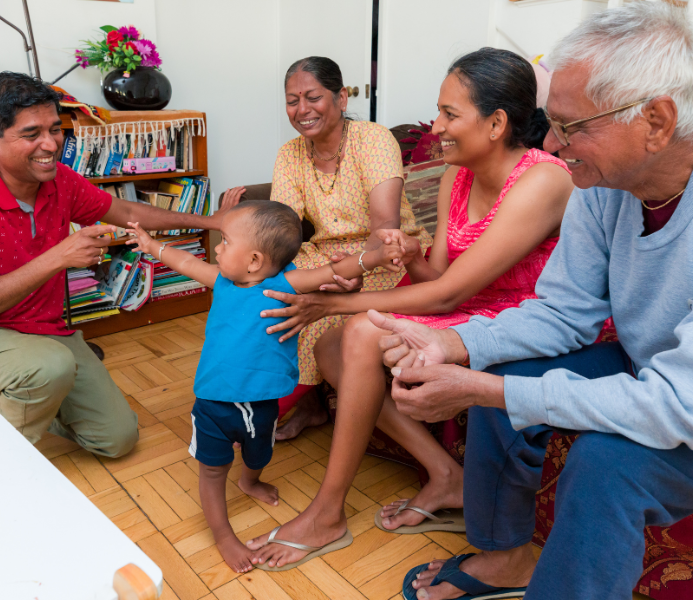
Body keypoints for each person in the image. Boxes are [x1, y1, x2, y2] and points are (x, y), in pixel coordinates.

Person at [370, 4, 693, 599]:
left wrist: (493, 390)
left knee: (606, 463)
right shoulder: (602, 182)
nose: (553, 144)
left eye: (572, 126)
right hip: (649, 368)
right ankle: (507, 557)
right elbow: (561, 312)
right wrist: (454, 342)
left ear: (657, 121)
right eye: (552, 122)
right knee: (494, 367)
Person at [246, 48, 581, 567]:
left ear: (496, 123)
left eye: (450, 115)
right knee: (338, 344)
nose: (437, 130)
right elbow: (440, 277)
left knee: (353, 330)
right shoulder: (458, 172)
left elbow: (447, 296)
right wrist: (410, 251)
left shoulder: (544, 179)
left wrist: (334, 299)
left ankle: (328, 512)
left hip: (523, 315)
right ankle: (446, 475)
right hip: (466, 302)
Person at [0, 72, 238, 457]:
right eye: (31, 134)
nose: (50, 144)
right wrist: (58, 258)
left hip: (43, 333)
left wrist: (212, 222)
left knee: (117, 438)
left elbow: (125, 209)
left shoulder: (59, 181)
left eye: (56, 129)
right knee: (49, 367)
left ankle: (23, 400)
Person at [124, 201, 404, 573]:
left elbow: (334, 269)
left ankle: (250, 480)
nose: (218, 248)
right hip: (213, 403)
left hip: (262, 405)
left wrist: (375, 257)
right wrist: (151, 245)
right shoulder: (223, 281)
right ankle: (223, 534)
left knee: (259, 454)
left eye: (224, 241)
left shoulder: (283, 285)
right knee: (211, 470)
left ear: (254, 260)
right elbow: (186, 264)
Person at [268, 56, 432, 440]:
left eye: (313, 97)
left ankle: (274, 407)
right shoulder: (290, 154)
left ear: (341, 98)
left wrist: (356, 270)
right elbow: (282, 229)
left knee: (314, 318)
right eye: (292, 100)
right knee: (268, 294)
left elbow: (385, 224)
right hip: (324, 255)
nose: (302, 110)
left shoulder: (372, 138)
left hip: (387, 255)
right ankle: (306, 405)